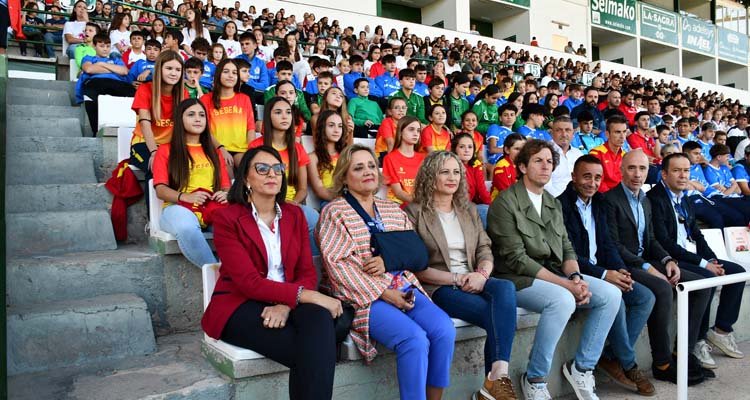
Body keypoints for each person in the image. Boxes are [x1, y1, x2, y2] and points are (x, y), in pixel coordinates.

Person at [317, 144, 456, 400]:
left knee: (444, 330)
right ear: (344, 176)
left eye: (371, 165)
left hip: (404, 286)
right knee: (414, 339)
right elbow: (338, 267)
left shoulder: (392, 209)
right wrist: (384, 292)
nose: (368, 171)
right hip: (363, 297)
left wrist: (386, 260)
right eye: (358, 167)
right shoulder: (334, 212)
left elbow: (415, 254)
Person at [203, 146, 342, 400]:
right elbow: (249, 283)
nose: (272, 174)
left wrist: (287, 304)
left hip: (288, 301)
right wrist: (309, 296)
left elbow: (306, 271)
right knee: (316, 348)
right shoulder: (227, 219)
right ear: (246, 178)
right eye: (262, 169)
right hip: (241, 304)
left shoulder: (294, 215)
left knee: (319, 326)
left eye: (278, 169)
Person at [487, 139, 621, 400]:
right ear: (523, 166)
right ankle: (535, 379)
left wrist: (576, 277)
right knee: (561, 300)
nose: (545, 166)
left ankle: (582, 368)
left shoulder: (552, 202)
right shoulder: (505, 203)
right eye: (538, 160)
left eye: (549, 161)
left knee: (611, 294)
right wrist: (566, 286)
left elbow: (566, 248)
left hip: (553, 274)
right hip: (516, 278)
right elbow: (517, 260)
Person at [405, 151, 518, 400]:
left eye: (456, 171)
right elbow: (415, 266)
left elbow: (484, 249)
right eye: (444, 171)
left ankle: (499, 373)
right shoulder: (413, 213)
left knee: (506, 288)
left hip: (473, 277)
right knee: (497, 316)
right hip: (440, 286)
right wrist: (457, 279)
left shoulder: (468, 210)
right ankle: (493, 387)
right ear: (429, 176)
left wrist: (481, 274)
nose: (452, 177)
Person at [604, 150, 713, 385]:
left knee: (701, 286)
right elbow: (614, 245)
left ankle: (683, 353)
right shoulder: (609, 199)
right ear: (621, 170)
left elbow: (651, 239)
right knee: (663, 289)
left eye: (642, 169)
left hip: (648, 260)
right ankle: (661, 363)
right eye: (632, 168)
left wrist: (667, 261)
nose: (637, 174)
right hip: (624, 264)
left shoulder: (644, 199)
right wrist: (647, 266)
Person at [558, 155, 656, 396]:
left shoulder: (600, 202)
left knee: (645, 298)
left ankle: (611, 357)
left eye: (598, 177)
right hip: (577, 273)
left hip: (605, 270)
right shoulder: (559, 205)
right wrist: (604, 274)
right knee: (616, 300)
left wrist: (620, 269)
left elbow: (609, 243)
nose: (592, 183)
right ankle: (629, 364)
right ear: (573, 177)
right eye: (586, 176)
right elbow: (565, 253)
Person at [648, 153, 746, 368]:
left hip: (692, 255)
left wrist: (711, 258)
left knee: (738, 273)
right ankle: (698, 340)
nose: (683, 176)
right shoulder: (655, 199)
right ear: (664, 174)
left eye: (686, 171)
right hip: (670, 259)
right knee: (707, 278)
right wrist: (705, 264)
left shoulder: (684, 196)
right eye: (676, 171)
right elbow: (664, 242)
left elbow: (697, 234)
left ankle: (721, 330)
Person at [152, 98, 230, 267]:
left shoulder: (214, 152)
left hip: (210, 207)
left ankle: (234, 271)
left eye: (202, 115)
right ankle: (217, 277)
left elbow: (225, 185)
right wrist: (185, 197)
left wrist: (225, 194)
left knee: (234, 227)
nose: (198, 119)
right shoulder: (166, 150)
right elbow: (161, 189)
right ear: (180, 119)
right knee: (187, 228)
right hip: (177, 208)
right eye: (191, 115)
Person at [249, 97, 319, 255]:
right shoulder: (256, 146)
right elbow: (250, 183)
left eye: (288, 112)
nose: (285, 116)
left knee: (313, 217)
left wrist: (293, 202)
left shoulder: (297, 149)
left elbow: (302, 189)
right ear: (269, 117)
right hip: (264, 204)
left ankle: (313, 268)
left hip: (290, 203)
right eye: (278, 112)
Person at [129, 51, 187, 176]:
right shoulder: (145, 89)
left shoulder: (184, 93)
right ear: (159, 69)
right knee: (157, 166)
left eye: (178, 69)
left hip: (169, 146)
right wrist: (154, 152)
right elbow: (145, 124)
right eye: (169, 68)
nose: (173, 73)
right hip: (143, 144)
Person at [199, 58, 255, 175]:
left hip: (241, 150)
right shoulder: (206, 99)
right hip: (217, 149)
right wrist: (221, 149)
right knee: (227, 175)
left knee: (251, 172)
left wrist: (252, 152)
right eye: (226, 72)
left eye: (234, 73)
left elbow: (250, 128)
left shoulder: (244, 98)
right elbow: (206, 130)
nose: (230, 76)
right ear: (218, 74)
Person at [76, 33, 135, 134]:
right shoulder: (88, 58)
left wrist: (102, 64)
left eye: (108, 46)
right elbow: (89, 69)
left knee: (134, 92)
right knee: (90, 92)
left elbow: (124, 71)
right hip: (96, 83)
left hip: (117, 83)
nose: (105, 49)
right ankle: (96, 131)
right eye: (102, 46)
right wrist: (114, 70)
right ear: (94, 46)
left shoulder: (116, 59)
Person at [382, 116, 426, 205]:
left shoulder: (423, 158)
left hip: (419, 205)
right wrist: (419, 202)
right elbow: (398, 192)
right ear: (400, 132)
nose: (416, 134)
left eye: (418, 130)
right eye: (411, 129)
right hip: (397, 204)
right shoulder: (390, 158)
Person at [307, 110, 347, 205]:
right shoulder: (313, 157)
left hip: (352, 199)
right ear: (322, 128)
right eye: (331, 125)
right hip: (330, 203)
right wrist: (343, 201)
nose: (337, 130)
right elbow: (319, 190)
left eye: (340, 126)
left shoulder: (345, 154)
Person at [451, 133, 491, 227]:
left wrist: (492, 206)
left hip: (470, 205)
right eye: (462, 147)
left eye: (470, 147)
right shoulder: (451, 165)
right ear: (454, 149)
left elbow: (481, 190)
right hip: (455, 207)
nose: (467, 150)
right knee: (484, 211)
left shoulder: (475, 165)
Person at [590, 115, 628, 192]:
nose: (622, 136)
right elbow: (597, 182)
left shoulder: (625, 155)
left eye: (624, 132)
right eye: (617, 132)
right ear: (607, 134)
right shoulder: (596, 153)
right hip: (604, 197)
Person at [546, 116, 583, 197]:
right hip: (553, 201)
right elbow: (544, 185)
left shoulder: (578, 154)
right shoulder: (544, 153)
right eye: (559, 130)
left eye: (568, 130)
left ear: (573, 133)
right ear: (552, 133)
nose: (564, 134)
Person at [491, 134, 526, 199]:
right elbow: (506, 193)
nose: (521, 152)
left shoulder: (526, 165)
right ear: (507, 150)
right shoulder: (501, 166)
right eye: (517, 149)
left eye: (523, 149)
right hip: (500, 203)